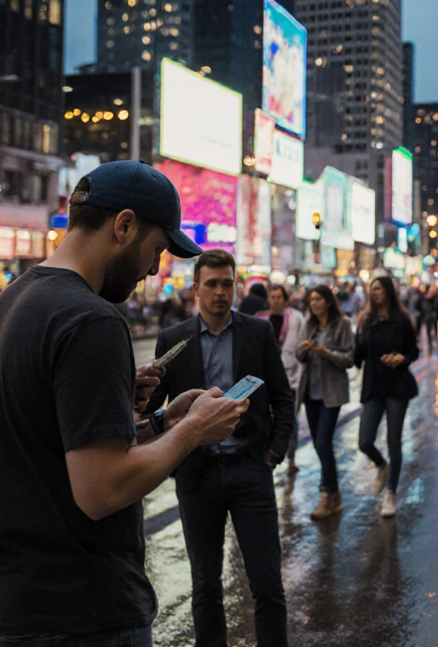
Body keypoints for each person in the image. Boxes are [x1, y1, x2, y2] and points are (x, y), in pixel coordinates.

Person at [0, 161, 247, 647]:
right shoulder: (90, 319)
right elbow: (101, 490)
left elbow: (47, 441)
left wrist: (159, 419)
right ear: (124, 225)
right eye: (156, 249)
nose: (154, 268)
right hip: (78, 611)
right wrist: (194, 430)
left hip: (5, 602)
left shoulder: (6, 304)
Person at [145, 249, 294, 647]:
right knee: (205, 586)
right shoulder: (173, 339)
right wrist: (174, 461)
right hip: (199, 475)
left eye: (227, 283)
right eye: (211, 284)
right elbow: (153, 410)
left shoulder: (257, 333)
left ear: (236, 286)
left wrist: (274, 452)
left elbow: (282, 396)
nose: (220, 292)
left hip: (250, 469)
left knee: (267, 584)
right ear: (195, 289)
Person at [354, 276, 420, 518]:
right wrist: (359, 333)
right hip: (373, 385)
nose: (374, 293)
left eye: (378, 288)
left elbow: (413, 351)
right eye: (372, 289)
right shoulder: (367, 320)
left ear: (389, 292)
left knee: (394, 441)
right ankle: (381, 466)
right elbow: (357, 359)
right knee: (365, 441)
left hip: (396, 385)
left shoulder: (402, 321)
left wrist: (401, 358)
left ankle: (391, 492)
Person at [295, 285, 354, 519]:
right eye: (311, 300)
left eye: (318, 299)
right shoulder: (309, 326)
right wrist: (305, 348)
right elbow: (298, 356)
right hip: (311, 393)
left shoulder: (343, 324)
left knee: (322, 444)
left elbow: (349, 359)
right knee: (321, 444)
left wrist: (326, 353)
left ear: (328, 301)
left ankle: (326, 494)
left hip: (331, 394)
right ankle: (334, 493)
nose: (314, 303)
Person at [256, 284, 306, 474]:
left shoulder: (296, 319)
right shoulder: (260, 319)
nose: (275, 300)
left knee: (289, 418)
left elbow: (300, 347)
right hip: (265, 377)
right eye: (273, 296)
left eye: (279, 297)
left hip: (290, 376)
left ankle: (290, 456)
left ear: (286, 301)